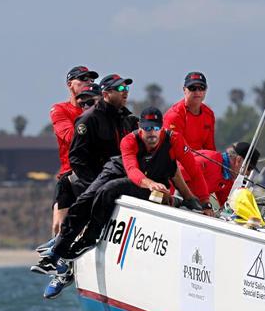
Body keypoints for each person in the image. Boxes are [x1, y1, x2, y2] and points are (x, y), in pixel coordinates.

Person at [33, 108, 203, 290]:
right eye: (147, 128)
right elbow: (132, 170)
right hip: (128, 172)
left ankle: (88, 239)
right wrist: (148, 182)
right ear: (139, 127)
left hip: (151, 181)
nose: (151, 132)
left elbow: (193, 171)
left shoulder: (174, 139)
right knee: (86, 198)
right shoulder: (129, 140)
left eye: (155, 128)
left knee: (107, 191)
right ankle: (55, 254)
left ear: (162, 127)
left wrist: (205, 201)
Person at [48, 65, 98, 235]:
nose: (88, 82)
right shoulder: (60, 109)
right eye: (83, 79)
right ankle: (59, 258)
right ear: (70, 84)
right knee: (59, 226)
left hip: (96, 174)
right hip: (69, 175)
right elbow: (70, 137)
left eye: (91, 80)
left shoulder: (100, 110)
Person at [68, 73, 137, 195]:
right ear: (105, 94)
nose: (125, 91)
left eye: (126, 88)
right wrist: (93, 186)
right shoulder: (89, 119)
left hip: (121, 183)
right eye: (120, 88)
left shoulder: (127, 119)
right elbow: (77, 158)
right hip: (96, 185)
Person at [181, 142, 260, 208]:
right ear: (238, 160)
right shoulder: (209, 161)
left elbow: (227, 205)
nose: (249, 173)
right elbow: (178, 172)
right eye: (249, 168)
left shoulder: (228, 178)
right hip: (174, 199)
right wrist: (200, 202)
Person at [163, 71, 216, 152]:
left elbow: (210, 148)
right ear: (184, 90)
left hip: (198, 160)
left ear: (206, 90)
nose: (197, 92)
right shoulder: (174, 115)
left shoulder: (209, 114)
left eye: (201, 88)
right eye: (192, 88)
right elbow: (173, 150)